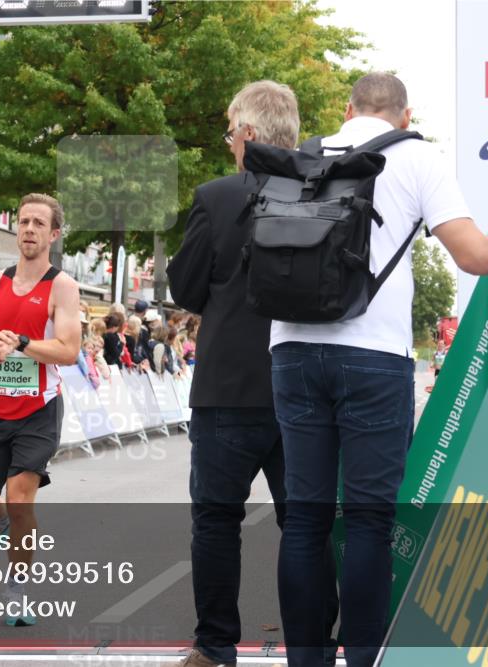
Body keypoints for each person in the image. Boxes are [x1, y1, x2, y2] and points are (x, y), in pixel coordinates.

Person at [269, 73, 488, 667]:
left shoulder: (305, 156)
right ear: (405, 116)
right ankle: (364, 658)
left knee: (304, 518)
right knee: (368, 520)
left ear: (347, 110)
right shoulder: (416, 158)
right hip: (373, 355)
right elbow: (474, 256)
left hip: (292, 348)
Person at [167, 80, 341, 667]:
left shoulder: (217, 197)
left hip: (228, 387)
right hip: (307, 388)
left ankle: (215, 646)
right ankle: (314, 646)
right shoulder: (326, 192)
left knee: (216, 520)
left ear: (246, 133)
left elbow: (186, 288)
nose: (229, 144)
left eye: (228, 134)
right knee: (308, 522)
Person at [0, 193, 80, 627]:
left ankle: (16, 590)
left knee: (21, 498)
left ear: (54, 234)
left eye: (38, 223)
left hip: (38, 409)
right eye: (23, 221)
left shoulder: (62, 286)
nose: (28, 229)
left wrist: (22, 343)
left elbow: (69, 350)